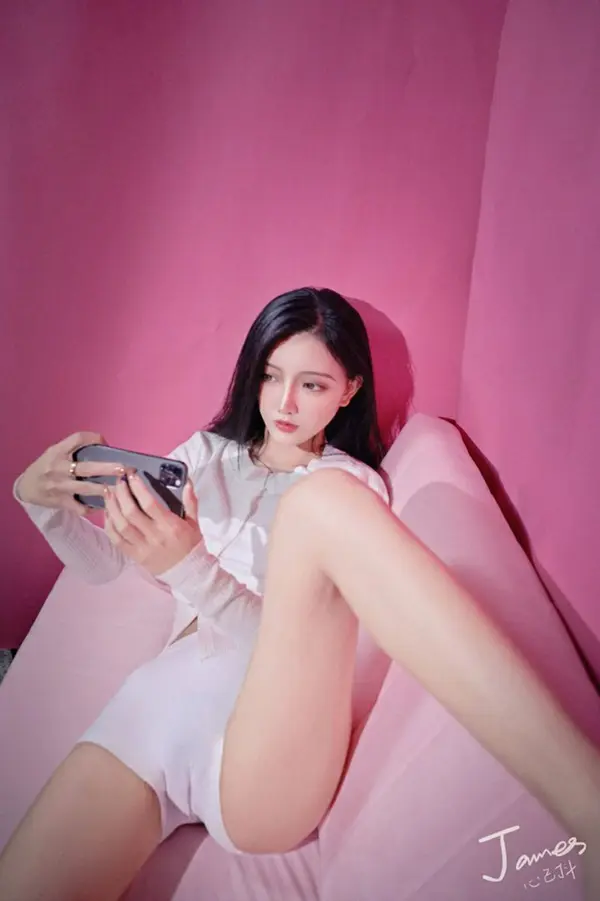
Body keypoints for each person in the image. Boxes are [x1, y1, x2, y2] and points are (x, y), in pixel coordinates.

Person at [1, 287, 599, 901]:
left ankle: (590, 808)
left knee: (317, 505)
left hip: (266, 741)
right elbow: (107, 570)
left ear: (350, 390)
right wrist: (44, 506)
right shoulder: (203, 455)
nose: (284, 404)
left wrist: (190, 567)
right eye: (270, 376)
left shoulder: (348, 487)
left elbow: (289, 648)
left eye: (311, 385)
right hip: (151, 711)